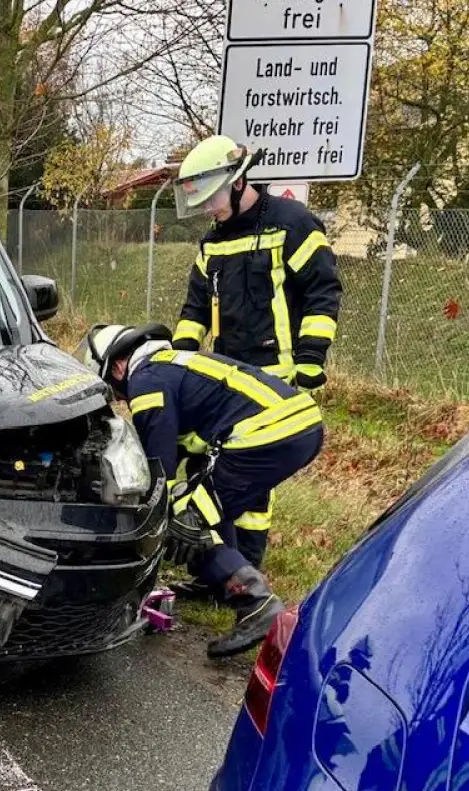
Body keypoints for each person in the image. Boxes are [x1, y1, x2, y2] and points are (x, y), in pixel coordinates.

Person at [81, 323, 325, 657]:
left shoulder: (146, 380)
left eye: (114, 386)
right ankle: (220, 580)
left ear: (118, 365)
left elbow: (159, 464)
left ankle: (255, 603)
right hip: (296, 427)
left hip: (265, 435)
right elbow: (185, 450)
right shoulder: (172, 366)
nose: (122, 399)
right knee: (199, 496)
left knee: (184, 519)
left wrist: (152, 512)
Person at [167, 135, 343, 589]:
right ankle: (219, 573)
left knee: (250, 483)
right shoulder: (211, 245)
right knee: (211, 470)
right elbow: (194, 310)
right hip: (226, 379)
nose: (208, 209)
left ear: (239, 180)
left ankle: (245, 573)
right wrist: (181, 366)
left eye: (212, 199)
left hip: (276, 377)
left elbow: (323, 292)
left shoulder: (293, 224)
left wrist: (310, 360)